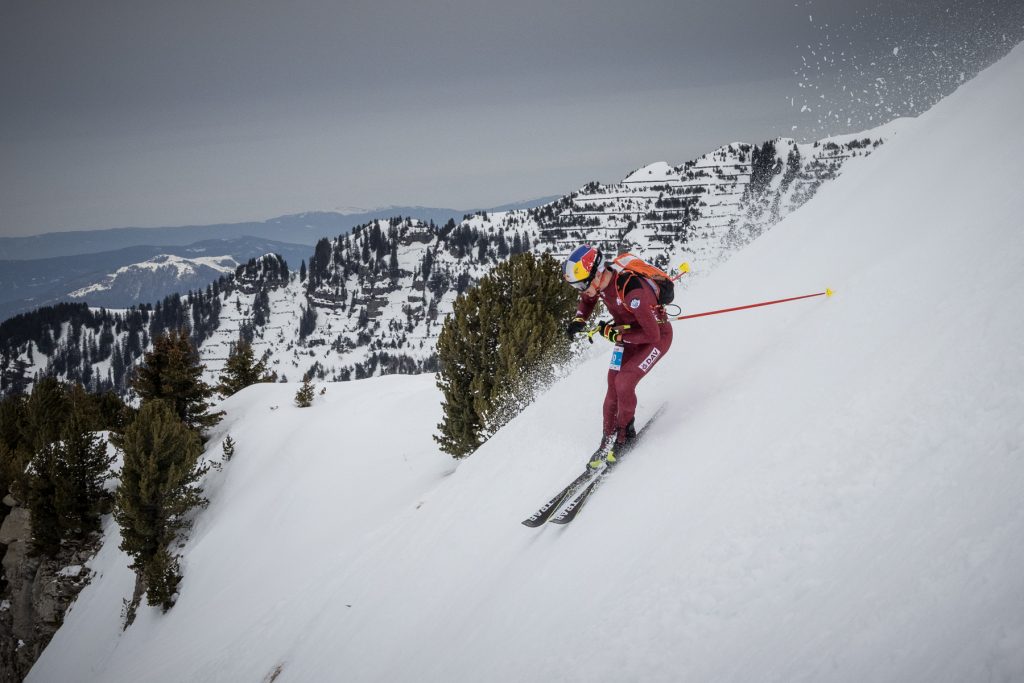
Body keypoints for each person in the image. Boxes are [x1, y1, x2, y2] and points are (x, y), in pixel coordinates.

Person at [562, 244, 673, 469]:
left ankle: (625, 435)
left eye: (581, 284)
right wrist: (579, 319)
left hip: (655, 337)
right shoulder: (599, 283)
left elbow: (652, 335)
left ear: (597, 274)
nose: (580, 290)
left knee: (624, 382)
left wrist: (615, 336)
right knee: (612, 385)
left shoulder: (633, 292)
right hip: (627, 334)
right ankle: (607, 438)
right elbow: (588, 299)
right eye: (576, 286)